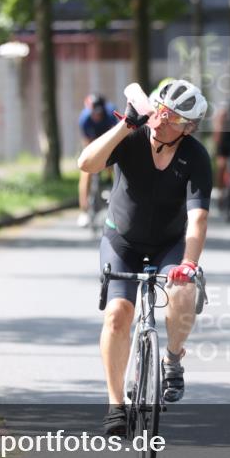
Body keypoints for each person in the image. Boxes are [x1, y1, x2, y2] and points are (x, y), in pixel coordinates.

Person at [77, 79, 212, 436]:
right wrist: (126, 125)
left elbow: (197, 219)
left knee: (182, 292)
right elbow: (86, 164)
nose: (164, 122)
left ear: (189, 127)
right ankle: (115, 403)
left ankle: (172, 358)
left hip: (168, 243)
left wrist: (189, 263)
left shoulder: (195, 157)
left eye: (175, 119)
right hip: (122, 240)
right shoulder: (133, 137)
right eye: (162, 113)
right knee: (119, 315)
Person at [76, 94, 117, 227]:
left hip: (108, 140)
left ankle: (109, 181)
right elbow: (87, 143)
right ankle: (83, 211)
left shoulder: (111, 115)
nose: (96, 116)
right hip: (92, 142)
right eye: (94, 113)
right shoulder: (84, 119)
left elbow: (115, 138)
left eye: (99, 113)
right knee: (85, 174)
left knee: (112, 161)